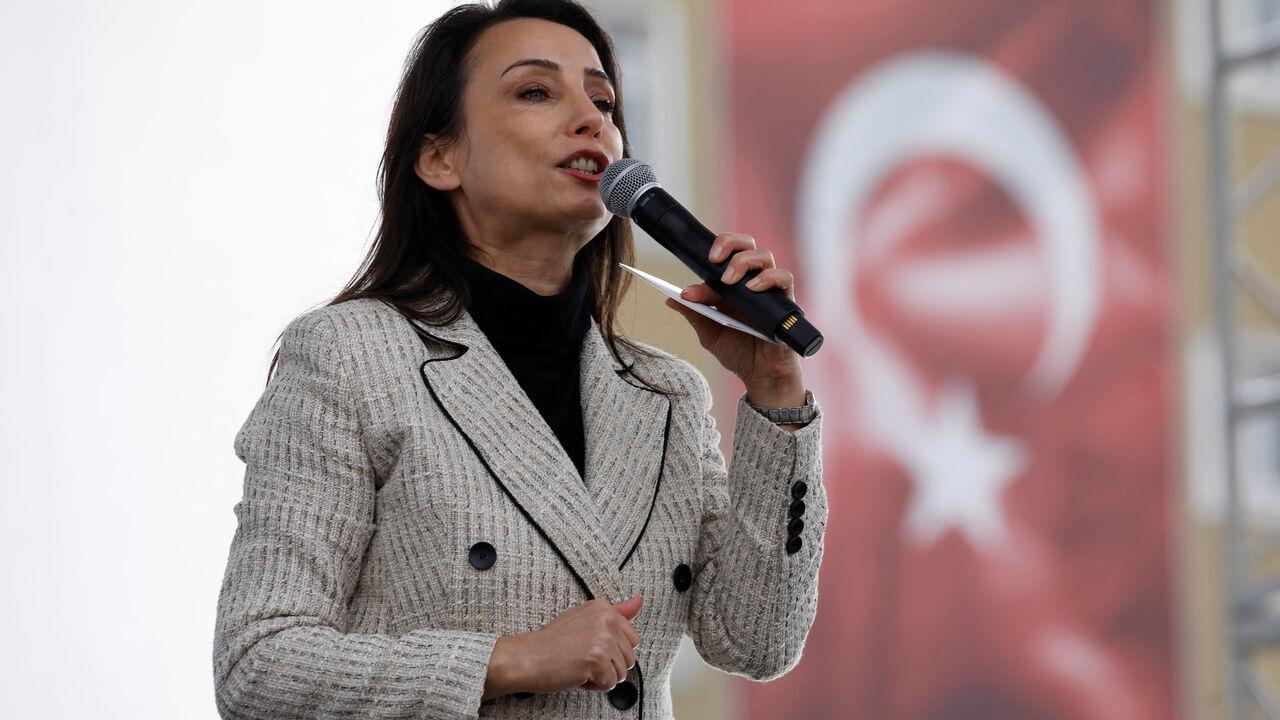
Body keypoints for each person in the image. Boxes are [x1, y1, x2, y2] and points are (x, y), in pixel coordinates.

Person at [212, 1, 825, 718]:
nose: (591, 118)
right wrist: (509, 661)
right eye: (535, 91)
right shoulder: (349, 356)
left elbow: (756, 643)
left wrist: (776, 395)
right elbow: (258, 666)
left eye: (603, 100)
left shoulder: (667, 394)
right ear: (441, 158)